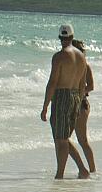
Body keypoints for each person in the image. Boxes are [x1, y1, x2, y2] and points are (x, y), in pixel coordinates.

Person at [40, 24, 90, 179]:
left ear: (60, 38)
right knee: (64, 138)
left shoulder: (59, 56)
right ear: (72, 37)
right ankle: (82, 170)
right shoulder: (81, 57)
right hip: (76, 96)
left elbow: (53, 82)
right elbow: (82, 84)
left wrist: (45, 106)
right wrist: (79, 100)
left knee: (60, 140)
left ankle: (60, 175)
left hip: (62, 96)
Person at [71, 39, 96, 173]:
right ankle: (83, 168)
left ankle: (91, 170)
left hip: (81, 104)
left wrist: (78, 91)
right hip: (71, 102)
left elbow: (91, 86)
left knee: (82, 140)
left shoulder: (86, 66)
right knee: (62, 138)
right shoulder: (68, 65)